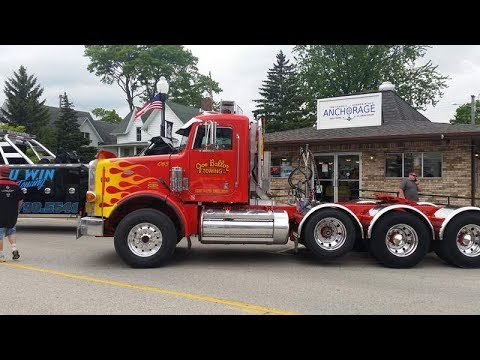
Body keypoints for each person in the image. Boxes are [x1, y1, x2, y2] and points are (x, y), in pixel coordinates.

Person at [0, 165, 24, 262]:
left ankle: (1, 256)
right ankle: (14, 249)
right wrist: (17, 210)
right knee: (11, 231)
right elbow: (20, 200)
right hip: (12, 213)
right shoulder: (16, 185)